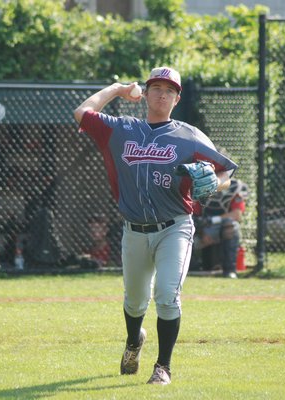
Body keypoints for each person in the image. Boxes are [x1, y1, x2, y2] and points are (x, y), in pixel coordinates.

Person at [73, 66, 238, 385]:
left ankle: (163, 367)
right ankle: (134, 341)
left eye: (169, 90)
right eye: (156, 88)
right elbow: (82, 113)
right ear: (145, 93)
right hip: (134, 229)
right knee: (134, 301)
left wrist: (215, 184)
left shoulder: (188, 135)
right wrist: (117, 89)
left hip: (174, 226)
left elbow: (225, 171)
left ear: (177, 99)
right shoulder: (121, 130)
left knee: (166, 294)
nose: (162, 94)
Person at [195, 179, 248, 278]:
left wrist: (213, 220)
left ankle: (230, 270)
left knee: (231, 226)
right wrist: (201, 231)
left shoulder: (235, 187)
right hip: (203, 228)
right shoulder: (201, 185)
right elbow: (193, 213)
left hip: (220, 226)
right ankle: (191, 268)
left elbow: (237, 215)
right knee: (188, 226)